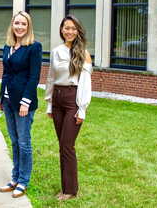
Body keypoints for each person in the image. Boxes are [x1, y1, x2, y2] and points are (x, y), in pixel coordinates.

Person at [45, 14, 92, 200]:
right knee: (62, 145)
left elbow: (85, 83)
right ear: (61, 30)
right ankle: (65, 187)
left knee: (67, 145)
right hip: (57, 99)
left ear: (78, 30)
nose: (70, 31)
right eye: (66, 28)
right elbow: (50, 77)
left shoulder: (83, 53)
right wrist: (49, 103)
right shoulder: (56, 51)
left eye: (73, 28)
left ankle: (70, 190)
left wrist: (82, 108)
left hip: (73, 99)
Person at [0, 11, 42, 198]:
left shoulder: (34, 47)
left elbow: (34, 77)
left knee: (24, 142)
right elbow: (6, 73)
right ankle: (15, 177)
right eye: (17, 23)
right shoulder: (8, 46)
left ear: (28, 26)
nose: (20, 27)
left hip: (23, 101)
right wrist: (1, 97)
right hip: (8, 100)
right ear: (12, 25)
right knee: (14, 140)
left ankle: (23, 181)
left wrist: (26, 102)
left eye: (24, 24)